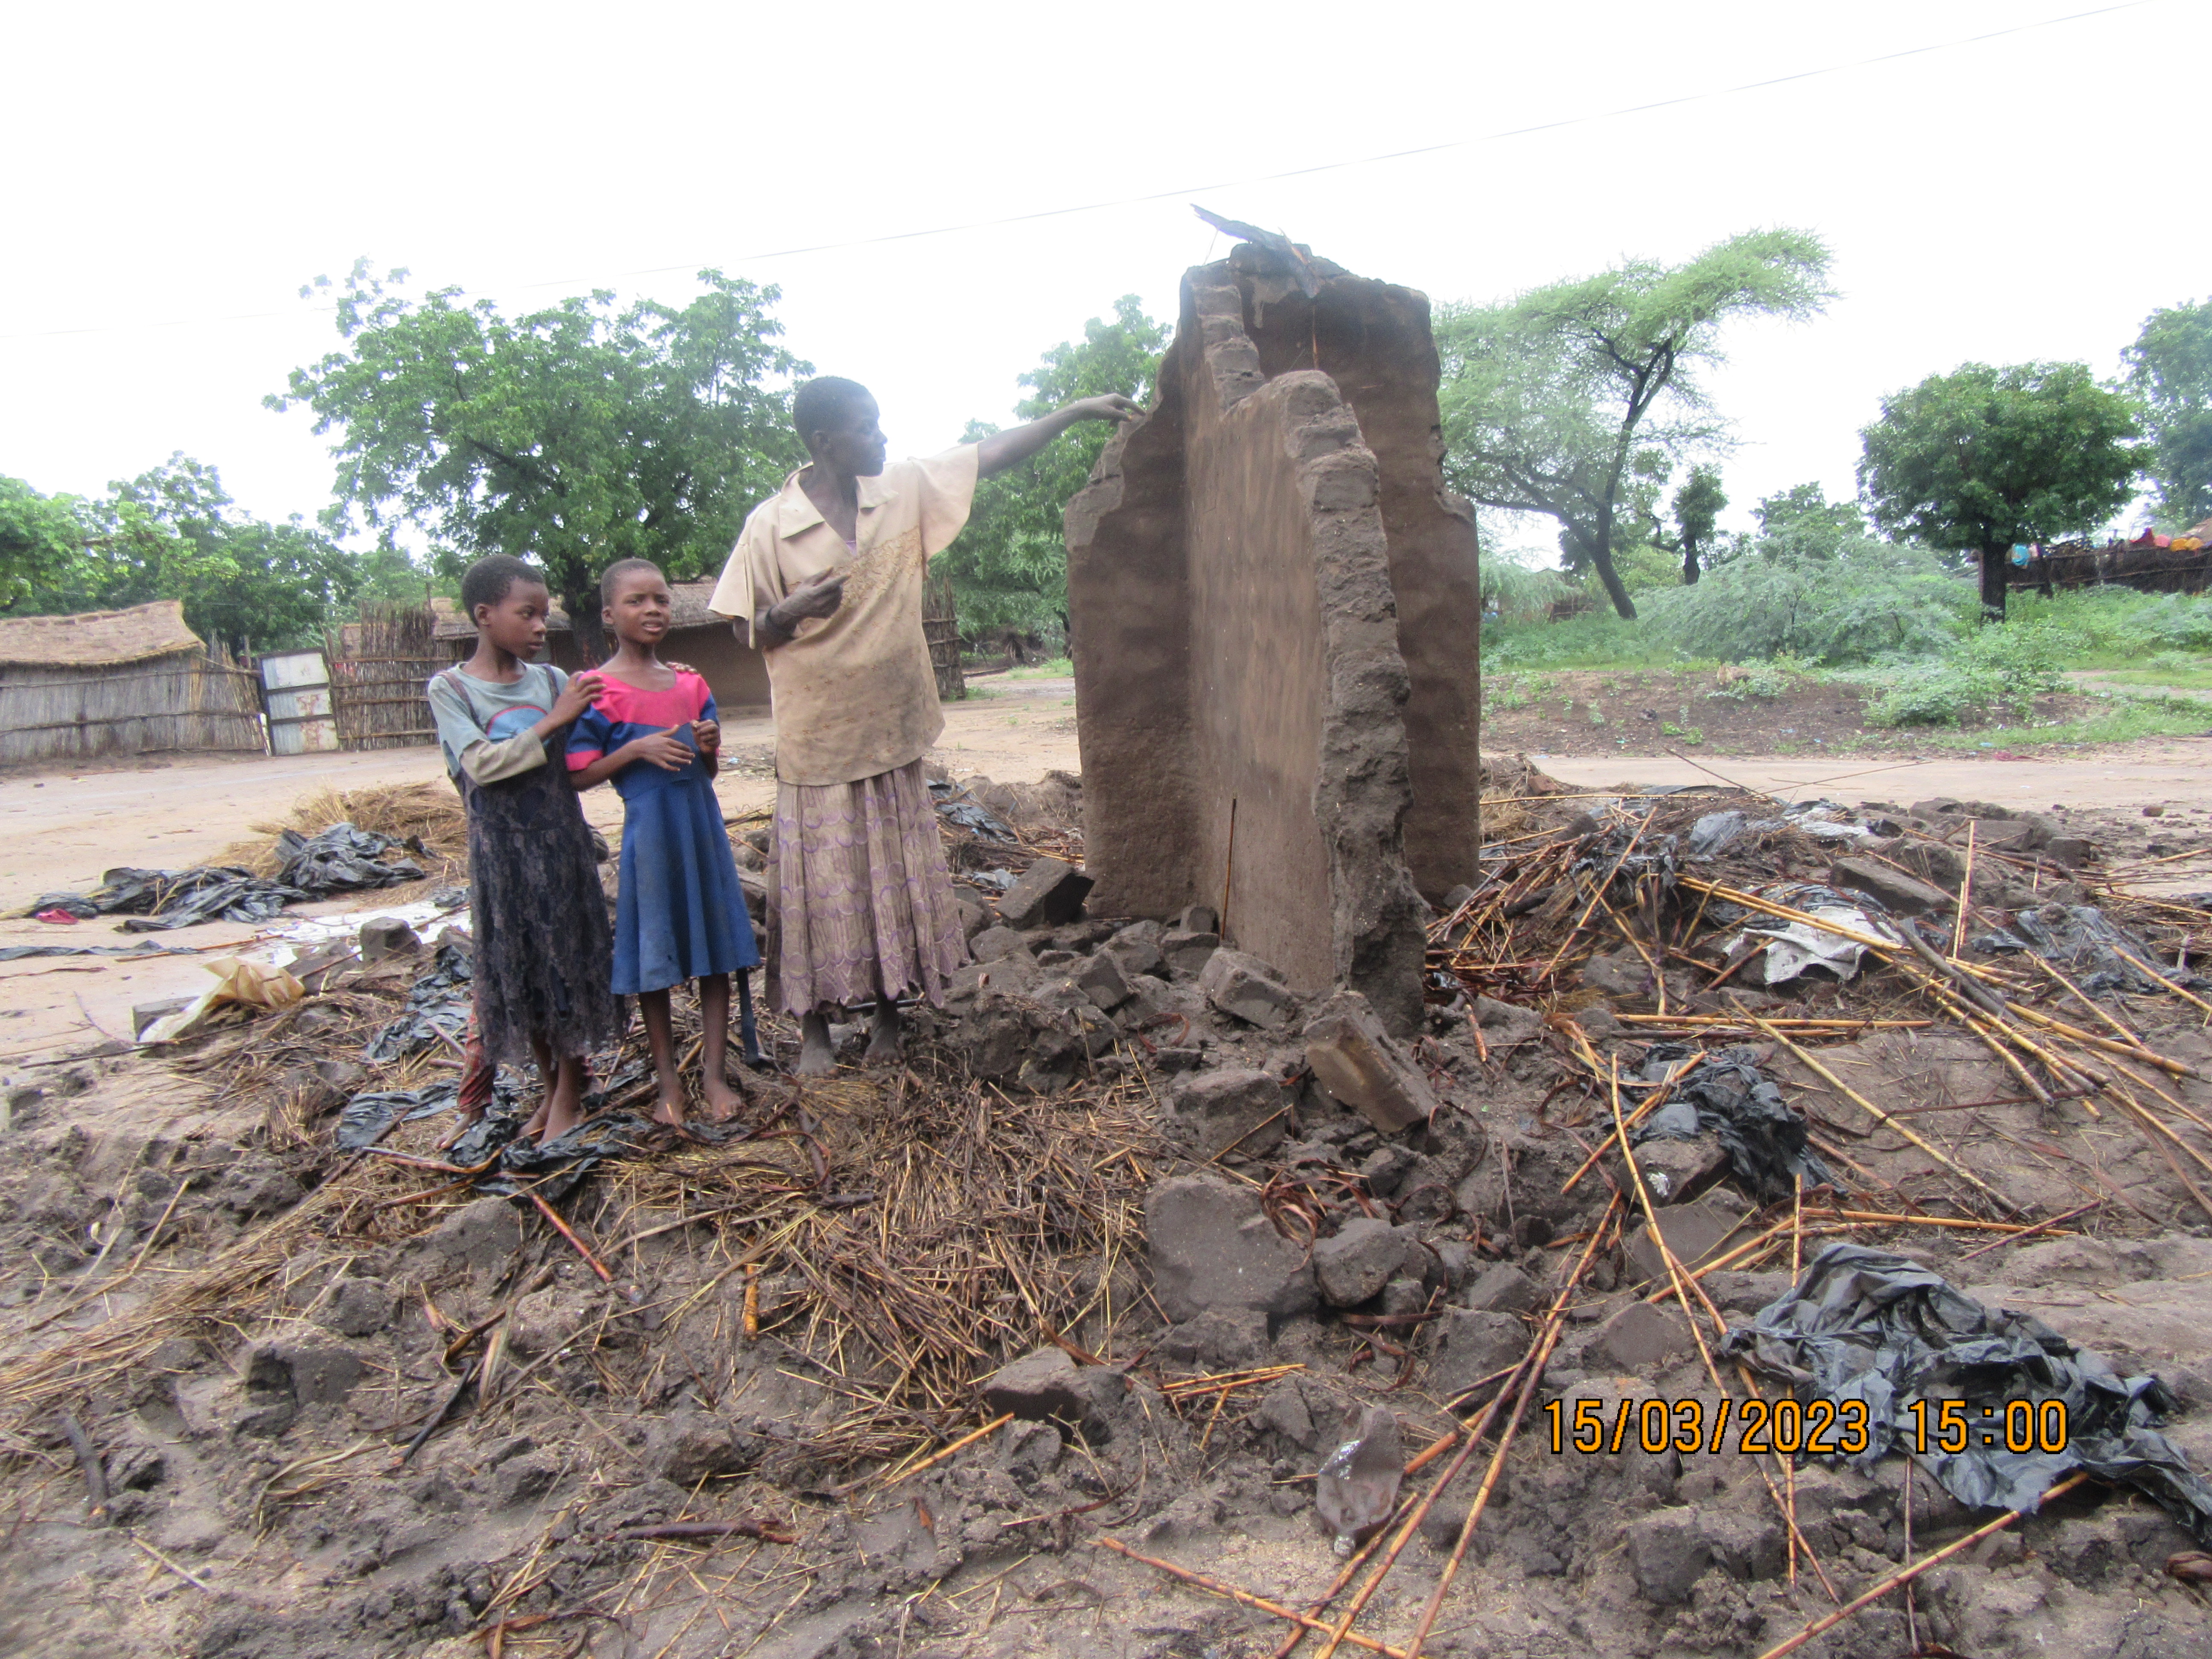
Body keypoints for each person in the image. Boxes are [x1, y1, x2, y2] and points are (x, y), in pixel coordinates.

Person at [709, 375, 1138, 1075]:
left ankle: (887, 1013)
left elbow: (989, 454)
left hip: (893, 729)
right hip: (818, 737)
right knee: (819, 884)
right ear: (825, 442)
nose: (882, 437)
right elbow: (740, 627)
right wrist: (788, 614)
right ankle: (815, 1027)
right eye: (867, 426)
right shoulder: (772, 525)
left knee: (892, 879)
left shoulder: (899, 491)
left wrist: (1075, 410)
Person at [425, 555, 623, 1143]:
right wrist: (551, 722)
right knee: (521, 975)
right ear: (485, 616)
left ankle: (568, 1092)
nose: (541, 626)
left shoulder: (553, 683)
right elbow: (482, 766)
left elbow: (604, 722)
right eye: (527, 614)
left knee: (567, 968)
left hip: (560, 850)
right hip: (502, 860)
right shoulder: (453, 689)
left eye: (545, 615)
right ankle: (550, 1086)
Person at [567, 559, 761, 1127]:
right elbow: (577, 775)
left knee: (716, 955)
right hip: (649, 836)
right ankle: (668, 1083)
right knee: (654, 956)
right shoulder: (597, 692)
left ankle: (716, 1076)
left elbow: (711, 772)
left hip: (702, 829)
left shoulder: (691, 683)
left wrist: (707, 745)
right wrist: (634, 752)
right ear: (609, 615)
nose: (653, 610)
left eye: (661, 600)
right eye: (637, 602)